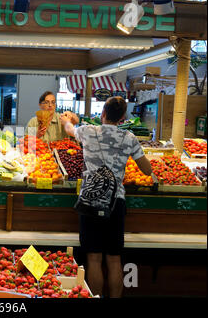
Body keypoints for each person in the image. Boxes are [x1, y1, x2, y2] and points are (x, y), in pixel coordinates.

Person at [59, 96, 152, 298]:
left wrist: (67, 120)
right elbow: (146, 170)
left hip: (90, 202)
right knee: (114, 259)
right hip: (115, 203)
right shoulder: (129, 138)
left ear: (103, 114)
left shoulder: (87, 132)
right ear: (123, 117)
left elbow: (69, 130)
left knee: (93, 258)